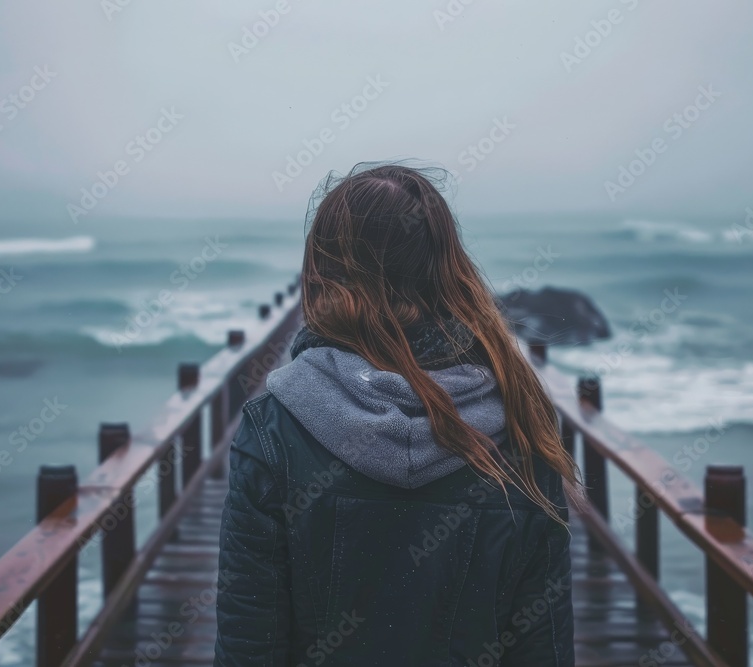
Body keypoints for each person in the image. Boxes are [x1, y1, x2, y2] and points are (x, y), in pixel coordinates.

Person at [214, 163, 579, 666]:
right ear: (448, 266)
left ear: (323, 271)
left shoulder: (274, 427)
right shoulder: (520, 421)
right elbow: (543, 644)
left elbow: (250, 641)